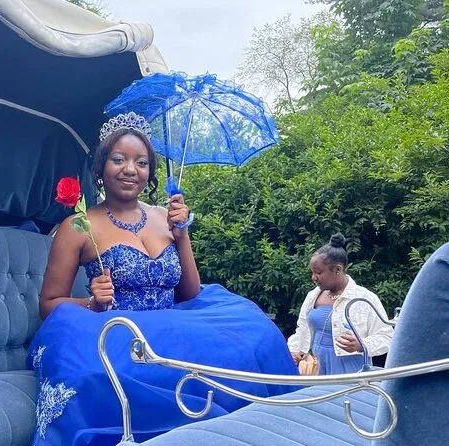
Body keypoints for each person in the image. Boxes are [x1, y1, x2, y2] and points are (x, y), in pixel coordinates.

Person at [28, 112, 299, 446]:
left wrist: (181, 235)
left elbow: (191, 294)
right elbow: (48, 304)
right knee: (96, 372)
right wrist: (91, 302)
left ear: (149, 172)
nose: (130, 169)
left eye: (141, 162)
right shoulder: (78, 226)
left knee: (255, 336)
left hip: (176, 324)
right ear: (100, 167)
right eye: (119, 159)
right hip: (120, 331)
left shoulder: (165, 217)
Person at [288, 234, 394, 375]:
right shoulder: (312, 296)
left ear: (338, 269)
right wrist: (294, 351)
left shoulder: (364, 298)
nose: (313, 277)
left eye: (318, 272)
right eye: (312, 272)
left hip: (351, 371)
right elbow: (302, 329)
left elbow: (387, 337)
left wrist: (361, 345)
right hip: (317, 368)